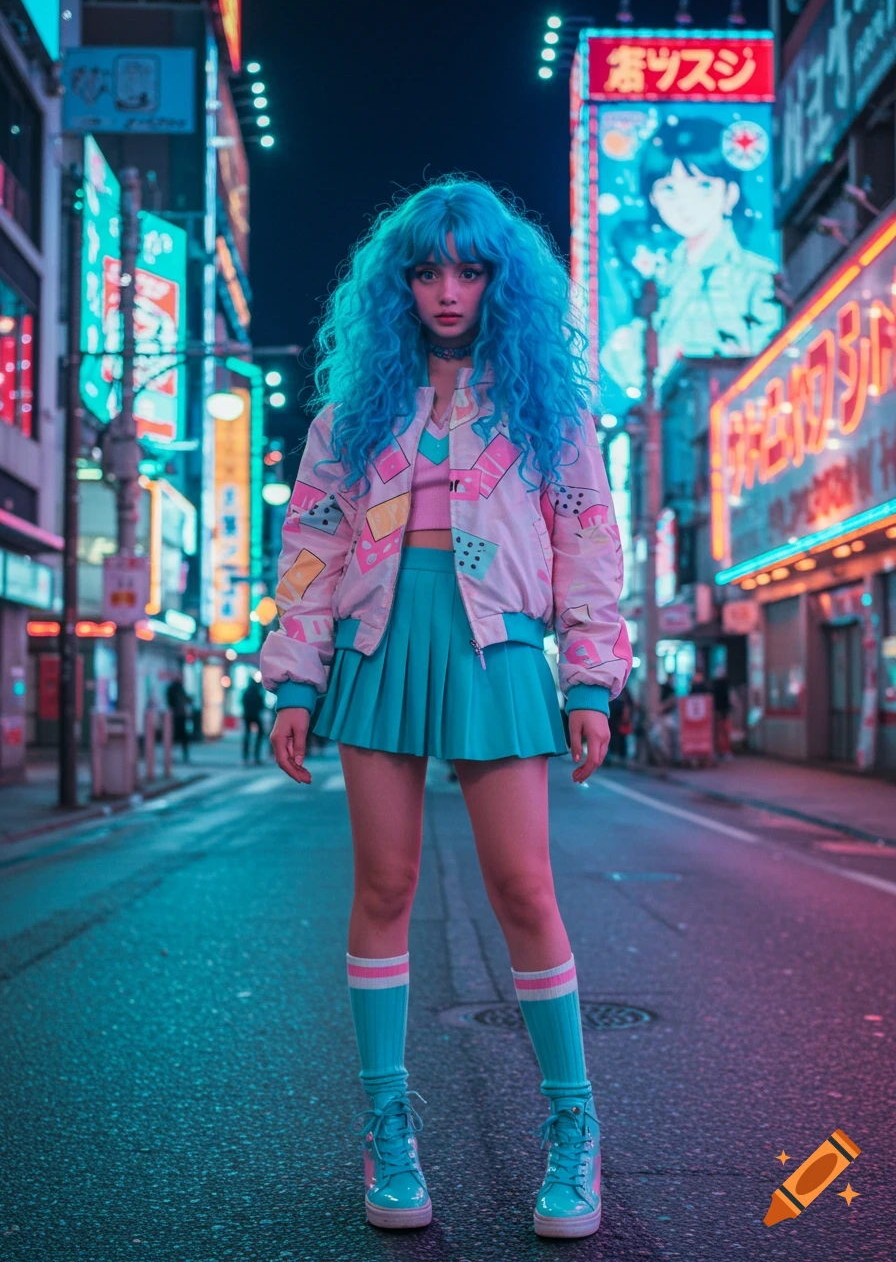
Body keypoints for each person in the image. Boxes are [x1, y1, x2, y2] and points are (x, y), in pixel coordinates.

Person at [261, 179, 631, 1241]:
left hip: (499, 645)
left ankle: (574, 1126)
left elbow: (585, 546)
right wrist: (294, 672)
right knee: (383, 882)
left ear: (500, 280)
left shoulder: (544, 411)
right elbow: (313, 549)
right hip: (378, 646)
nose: (446, 290)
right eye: (425, 270)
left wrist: (591, 679)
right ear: (399, 285)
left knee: (523, 883)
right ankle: (386, 1128)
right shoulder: (353, 414)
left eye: (467, 269)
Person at [600, 114, 780, 399]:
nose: (686, 203)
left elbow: (773, 354)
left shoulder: (756, 273)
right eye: (669, 189)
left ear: (730, 194)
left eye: (703, 186)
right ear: (653, 200)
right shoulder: (662, 277)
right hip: (673, 418)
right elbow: (622, 359)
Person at [241, 676, 267, 765]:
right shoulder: (257, 691)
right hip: (255, 715)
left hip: (247, 715)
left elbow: (242, 701)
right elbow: (261, 703)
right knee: (260, 733)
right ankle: (256, 756)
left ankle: (245, 757)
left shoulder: (246, 691)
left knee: (247, 735)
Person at [165, 677, 191, 763]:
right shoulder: (179, 690)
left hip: (175, 715)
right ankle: (182, 754)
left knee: (175, 737)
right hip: (180, 715)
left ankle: (171, 755)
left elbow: (170, 702)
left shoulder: (172, 689)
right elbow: (186, 700)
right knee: (182, 737)